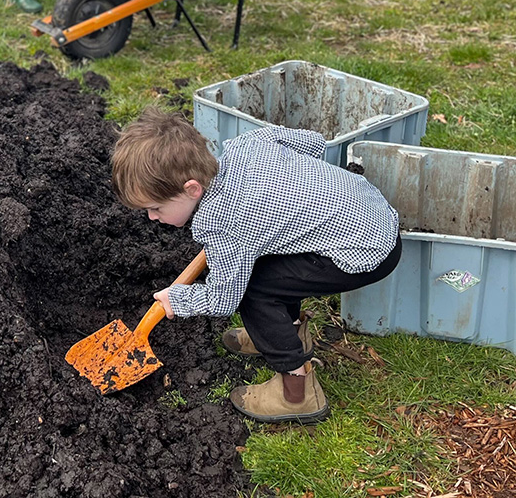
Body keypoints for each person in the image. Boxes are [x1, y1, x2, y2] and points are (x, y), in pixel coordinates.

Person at [110, 107, 402, 424]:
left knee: (252, 290)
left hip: (363, 253)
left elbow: (223, 299)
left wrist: (178, 299)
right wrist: (297, 191)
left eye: (155, 208)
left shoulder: (223, 224)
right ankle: (282, 332)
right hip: (376, 213)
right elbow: (314, 142)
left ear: (192, 189)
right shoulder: (246, 143)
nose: (152, 217)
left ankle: (296, 393)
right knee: (266, 268)